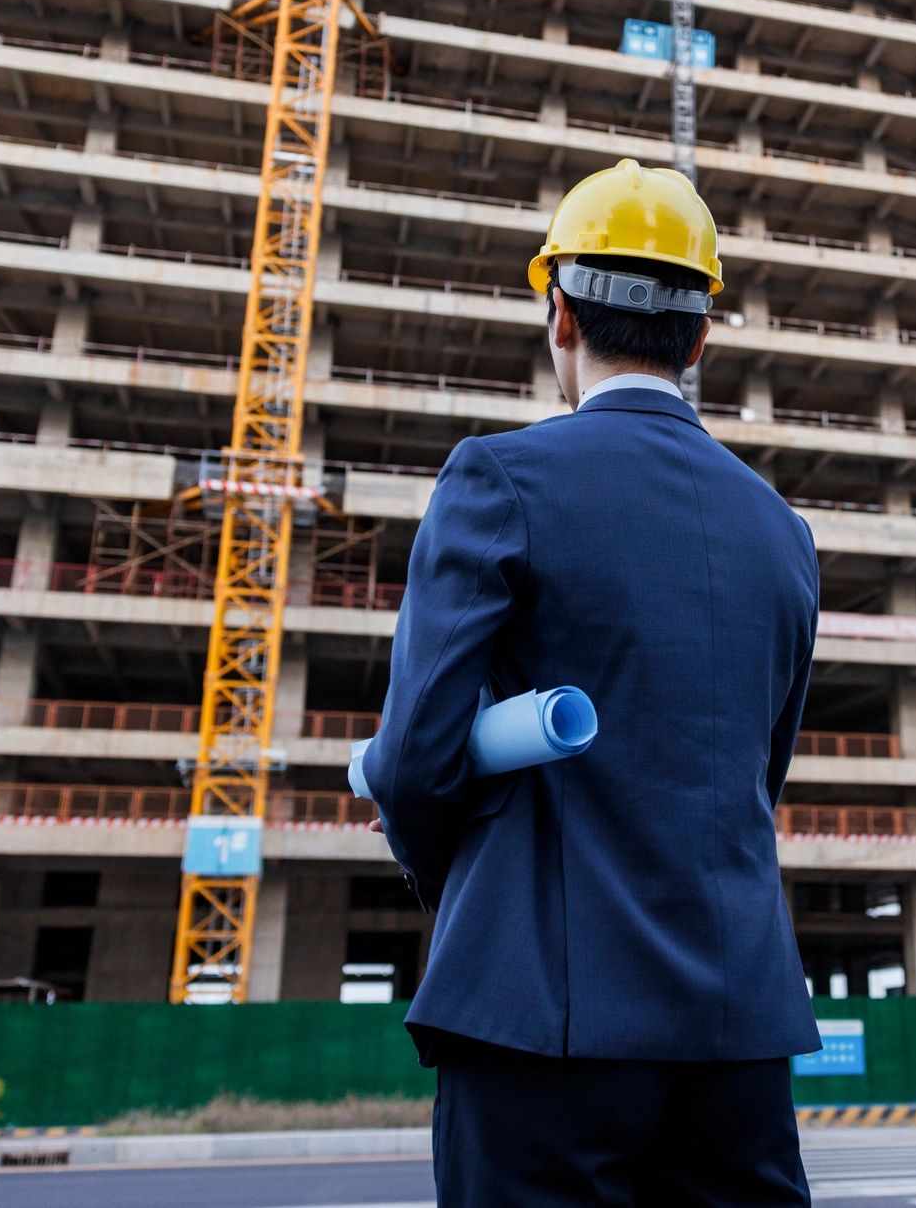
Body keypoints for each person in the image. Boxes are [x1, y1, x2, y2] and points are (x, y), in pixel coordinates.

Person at [358, 158, 821, 1206]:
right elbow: (758, 774)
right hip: (736, 1028)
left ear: (558, 313)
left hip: (539, 1016)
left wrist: (471, 884)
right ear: (700, 336)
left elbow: (416, 760)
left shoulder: (498, 478)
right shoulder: (783, 533)